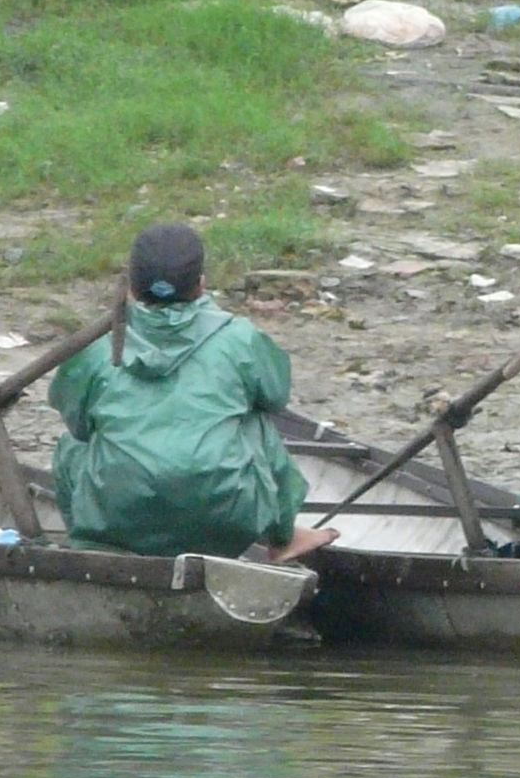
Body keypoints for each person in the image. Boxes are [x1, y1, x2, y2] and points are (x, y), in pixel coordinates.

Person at [49, 224, 332, 563]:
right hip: (227, 515)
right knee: (255, 421)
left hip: (116, 515)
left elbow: (77, 422)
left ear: (131, 286)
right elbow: (275, 396)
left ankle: (89, 548)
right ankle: (282, 536)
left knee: (72, 445)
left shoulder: (97, 346)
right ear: (201, 283)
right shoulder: (239, 338)